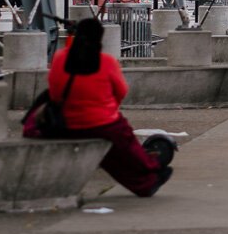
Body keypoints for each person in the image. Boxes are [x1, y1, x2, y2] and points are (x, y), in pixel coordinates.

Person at [45, 18, 170, 197]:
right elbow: (121, 91)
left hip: (67, 123)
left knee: (108, 156)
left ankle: (146, 183)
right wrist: (109, 109)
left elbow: (55, 93)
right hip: (103, 123)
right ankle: (151, 172)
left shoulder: (59, 59)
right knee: (125, 145)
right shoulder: (106, 62)